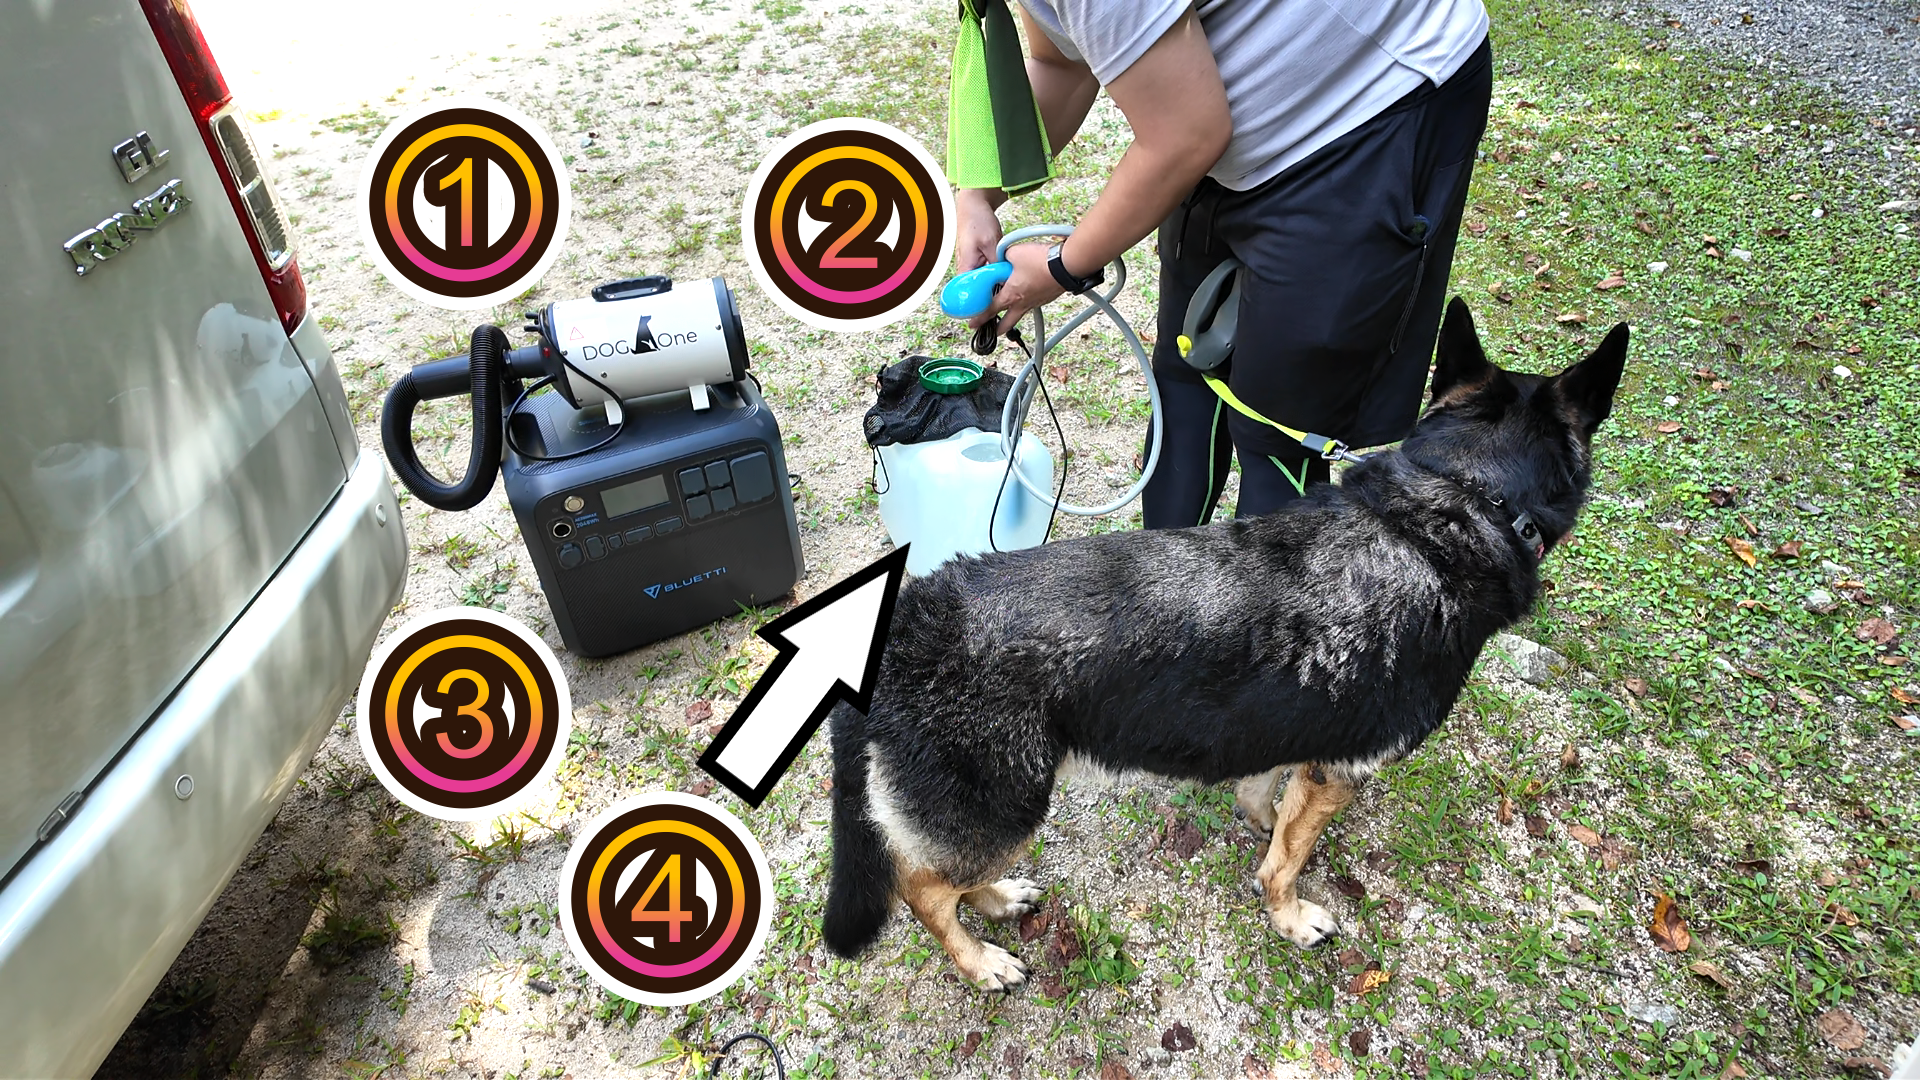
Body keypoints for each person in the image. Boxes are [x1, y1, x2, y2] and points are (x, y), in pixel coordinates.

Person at [955, 0, 1494, 526]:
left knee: (1278, 428)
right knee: (1184, 383)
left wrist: (1061, 268)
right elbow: (1060, 64)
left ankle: (1266, 592)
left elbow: (1186, 136)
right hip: (1209, 108)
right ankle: (1159, 585)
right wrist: (978, 194)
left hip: (1368, 104)